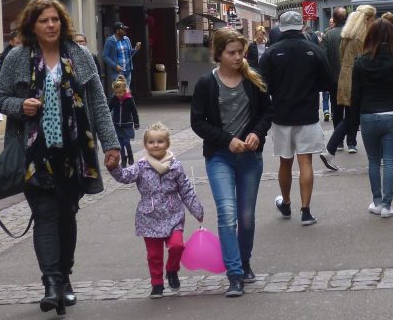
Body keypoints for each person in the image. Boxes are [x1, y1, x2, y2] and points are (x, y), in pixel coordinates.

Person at [0, 0, 120, 316]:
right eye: (44, 21)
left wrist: (112, 145)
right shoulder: (17, 57)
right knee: (45, 213)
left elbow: (99, 104)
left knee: (67, 214)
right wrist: (20, 106)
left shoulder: (80, 55)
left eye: (55, 20)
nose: (51, 25)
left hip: (74, 152)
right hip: (33, 152)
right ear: (32, 25)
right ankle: (51, 282)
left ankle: (64, 277)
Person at [189, 28, 272, 298]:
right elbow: (198, 122)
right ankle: (234, 274)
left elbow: (267, 112)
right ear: (219, 54)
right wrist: (227, 140)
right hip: (220, 156)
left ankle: (244, 262)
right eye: (231, 53)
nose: (238, 57)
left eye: (240, 52)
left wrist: (256, 133)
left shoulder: (253, 79)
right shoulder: (206, 83)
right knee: (227, 214)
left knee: (246, 217)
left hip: (249, 157)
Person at [106, 122, 204, 298]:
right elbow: (124, 176)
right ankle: (157, 284)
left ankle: (172, 270)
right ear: (145, 145)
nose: (156, 145)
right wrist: (114, 167)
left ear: (167, 144)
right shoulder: (141, 166)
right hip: (149, 217)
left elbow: (186, 189)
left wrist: (196, 210)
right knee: (154, 255)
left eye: (160, 141)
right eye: (151, 142)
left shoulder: (175, 166)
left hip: (173, 215)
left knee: (177, 246)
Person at [258, 10, 335, 226]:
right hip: (307, 114)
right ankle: (306, 211)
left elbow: (261, 85)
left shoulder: (271, 53)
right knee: (305, 161)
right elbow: (328, 82)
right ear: (302, 26)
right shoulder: (314, 50)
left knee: (285, 161)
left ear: (281, 28)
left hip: (281, 114)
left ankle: (286, 203)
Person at [348, 20, 393, 219]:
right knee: (390, 162)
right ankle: (387, 205)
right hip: (392, 114)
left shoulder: (360, 62)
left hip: (368, 115)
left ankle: (376, 202)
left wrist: (354, 121)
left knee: (373, 161)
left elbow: (355, 96)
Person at [327, 5, 377, 157]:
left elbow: (341, 56)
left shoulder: (346, 34)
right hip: (358, 79)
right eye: (372, 19)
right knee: (356, 115)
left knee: (348, 114)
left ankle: (335, 145)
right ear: (366, 19)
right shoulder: (364, 37)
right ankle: (348, 144)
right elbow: (367, 60)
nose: (373, 22)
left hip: (345, 76)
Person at [322, 8, 347, 127]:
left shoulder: (328, 35)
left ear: (335, 19)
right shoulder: (352, 33)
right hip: (351, 78)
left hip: (335, 79)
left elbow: (324, 58)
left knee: (337, 110)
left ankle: (338, 135)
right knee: (351, 109)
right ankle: (351, 137)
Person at [108, 76, 139, 167]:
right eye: (116, 93)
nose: (118, 95)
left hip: (127, 125)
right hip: (117, 125)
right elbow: (108, 109)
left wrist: (136, 123)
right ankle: (123, 159)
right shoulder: (114, 99)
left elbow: (134, 112)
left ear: (125, 91)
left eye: (120, 92)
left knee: (127, 143)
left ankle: (130, 155)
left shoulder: (130, 100)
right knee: (120, 145)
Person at [102, 22, 142, 90]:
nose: (125, 31)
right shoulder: (110, 41)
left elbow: (130, 53)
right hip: (117, 72)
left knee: (126, 91)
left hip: (127, 71)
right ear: (117, 31)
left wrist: (136, 49)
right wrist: (115, 66)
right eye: (123, 29)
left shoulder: (126, 39)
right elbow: (105, 56)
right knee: (119, 91)